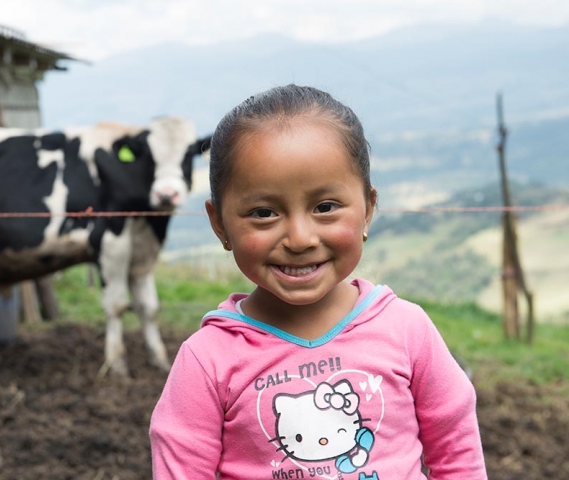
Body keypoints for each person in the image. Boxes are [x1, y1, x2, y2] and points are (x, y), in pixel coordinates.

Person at [149, 84, 487, 479]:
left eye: (325, 207)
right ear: (220, 223)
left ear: (367, 210)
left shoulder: (407, 331)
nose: (300, 239)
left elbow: (457, 453)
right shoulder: (207, 361)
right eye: (263, 212)